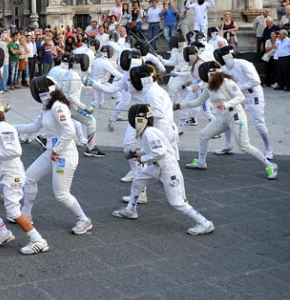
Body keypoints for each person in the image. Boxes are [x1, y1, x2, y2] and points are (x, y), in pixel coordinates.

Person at [113, 104, 215, 236]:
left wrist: (143, 158)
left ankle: (205, 223)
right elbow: (153, 149)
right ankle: (130, 210)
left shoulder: (149, 133)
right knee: (138, 181)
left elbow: (160, 152)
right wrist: (139, 153)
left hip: (168, 168)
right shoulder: (147, 132)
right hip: (157, 166)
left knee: (177, 202)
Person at [16, 76, 92, 237]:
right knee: (29, 178)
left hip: (64, 155)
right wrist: (8, 127)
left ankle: (84, 220)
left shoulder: (58, 107)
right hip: (52, 152)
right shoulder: (46, 107)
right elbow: (32, 127)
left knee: (61, 194)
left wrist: (57, 150)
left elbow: (69, 131)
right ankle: (26, 215)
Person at [0, 96, 52, 250]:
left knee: (13, 210)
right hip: (0, 172)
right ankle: (2, 231)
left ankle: (38, 241)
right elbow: (1, 153)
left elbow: (15, 151)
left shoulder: (4, 128)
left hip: (12, 175)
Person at [178, 61, 278, 179]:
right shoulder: (209, 86)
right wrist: (180, 105)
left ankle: (271, 165)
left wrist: (226, 104)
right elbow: (198, 101)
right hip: (223, 118)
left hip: (236, 117)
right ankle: (201, 162)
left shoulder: (227, 83)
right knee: (203, 135)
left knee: (244, 146)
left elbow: (240, 97)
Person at [213, 45, 273, 160]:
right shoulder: (224, 69)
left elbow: (256, 81)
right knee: (228, 118)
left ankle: (268, 149)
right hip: (240, 97)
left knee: (258, 123)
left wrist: (238, 88)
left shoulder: (243, 64)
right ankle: (228, 145)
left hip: (254, 95)